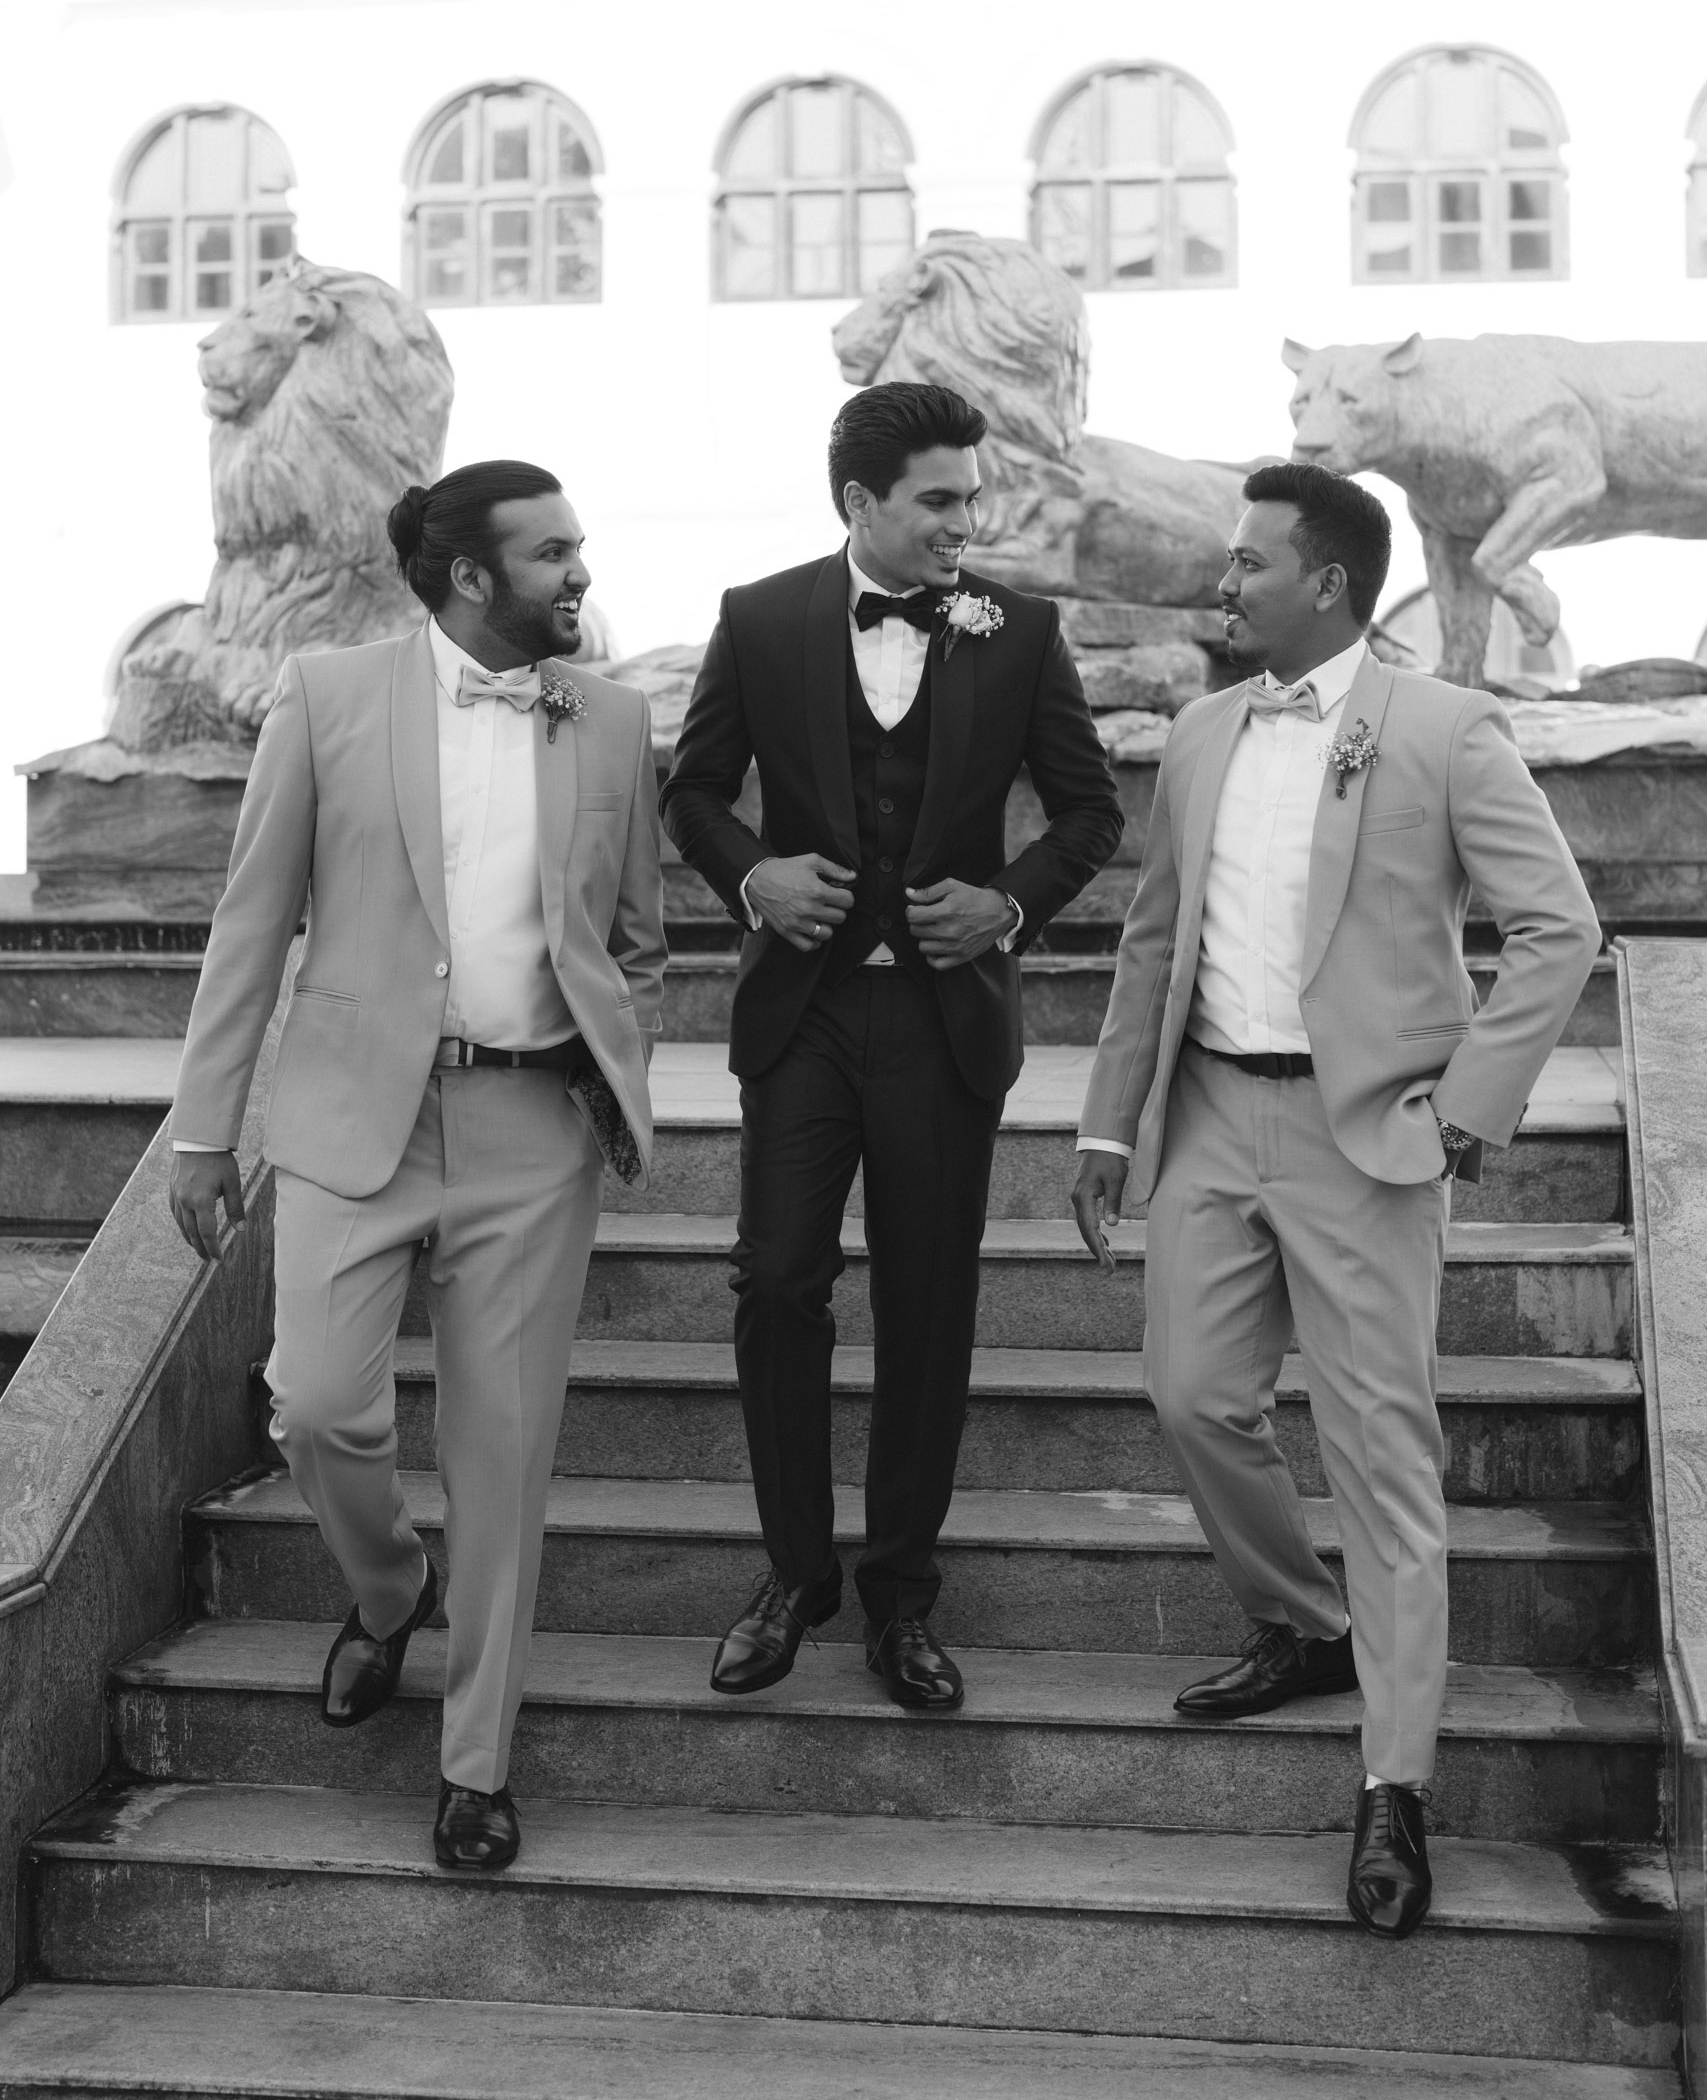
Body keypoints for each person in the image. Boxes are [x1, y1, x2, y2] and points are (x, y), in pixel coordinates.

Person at [1071, 460, 1599, 1941]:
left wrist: (1467, 1112)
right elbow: (1152, 941)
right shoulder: (1200, 733)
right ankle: (1304, 1624)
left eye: (1249, 562)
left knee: (1382, 1462)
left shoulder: (1445, 727)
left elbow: (1559, 929)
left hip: (1371, 1139)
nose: (1224, 582)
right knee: (1192, 1398)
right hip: (1207, 1118)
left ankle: (1395, 1784)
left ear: (1328, 585)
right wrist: (1108, 1125)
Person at [168, 458, 665, 1876]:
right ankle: (391, 1592)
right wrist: (205, 1127)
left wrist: (610, 1056)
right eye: (551, 553)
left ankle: (476, 1767)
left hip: (534, 1133)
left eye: (577, 546)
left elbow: (635, 938)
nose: (579, 572)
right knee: (319, 1407)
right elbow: (252, 922)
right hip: (350, 1116)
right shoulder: (327, 696)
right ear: (468, 576)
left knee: (503, 1459)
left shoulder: (614, 719)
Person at [662, 382, 1124, 1712]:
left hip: (941, 1021)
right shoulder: (761, 619)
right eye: (939, 499)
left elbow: (1089, 814)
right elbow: (694, 794)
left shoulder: (1020, 631)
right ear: (862, 501)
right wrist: (753, 876)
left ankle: (902, 1598)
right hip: (802, 1018)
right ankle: (794, 1575)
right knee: (778, 1285)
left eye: (972, 497)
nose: (965, 521)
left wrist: (1006, 905)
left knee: (929, 1306)